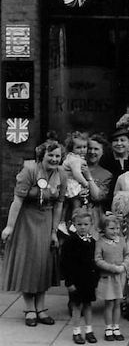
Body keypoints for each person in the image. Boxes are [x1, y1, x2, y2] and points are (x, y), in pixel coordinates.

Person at [1, 140, 66, 327]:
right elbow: (17, 201)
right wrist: (9, 227)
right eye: (50, 155)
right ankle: (30, 308)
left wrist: (54, 231)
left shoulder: (61, 174)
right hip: (26, 221)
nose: (54, 159)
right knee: (28, 265)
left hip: (46, 220)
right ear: (42, 156)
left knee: (43, 263)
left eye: (57, 156)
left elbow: (59, 204)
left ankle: (41, 307)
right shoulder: (29, 170)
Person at [60, 210, 99, 344]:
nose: (83, 227)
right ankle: (76, 331)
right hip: (76, 281)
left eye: (86, 224)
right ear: (74, 225)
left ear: (91, 225)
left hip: (88, 280)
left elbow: (95, 262)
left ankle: (89, 330)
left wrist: (96, 279)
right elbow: (64, 263)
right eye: (79, 224)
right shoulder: (70, 242)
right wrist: (69, 282)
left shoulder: (92, 242)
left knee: (88, 305)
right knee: (77, 306)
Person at [95, 213, 129, 342]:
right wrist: (111, 267)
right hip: (108, 277)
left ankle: (116, 327)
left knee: (118, 303)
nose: (115, 231)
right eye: (111, 228)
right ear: (103, 228)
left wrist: (124, 266)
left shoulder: (121, 240)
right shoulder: (100, 243)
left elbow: (127, 255)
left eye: (117, 228)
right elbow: (98, 260)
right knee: (109, 303)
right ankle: (108, 327)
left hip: (120, 277)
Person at [85, 134, 113, 226]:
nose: (92, 152)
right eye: (89, 148)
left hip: (93, 215)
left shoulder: (106, 175)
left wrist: (88, 176)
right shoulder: (75, 168)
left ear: (102, 152)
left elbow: (97, 197)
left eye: (96, 149)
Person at [100, 128, 129, 206]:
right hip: (108, 203)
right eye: (115, 140)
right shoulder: (105, 160)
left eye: (122, 140)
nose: (119, 143)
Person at [62, 131, 91, 212]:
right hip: (71, 184)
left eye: (84, 147)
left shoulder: (71, 157)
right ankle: (75, 219)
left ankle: (63, 222)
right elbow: (77, 174)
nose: (82, 150)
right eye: (78, 147)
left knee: (66, 206)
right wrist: (86, 183)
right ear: (72, 148)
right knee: (76, 204)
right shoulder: (75, 160)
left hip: (68, 183)